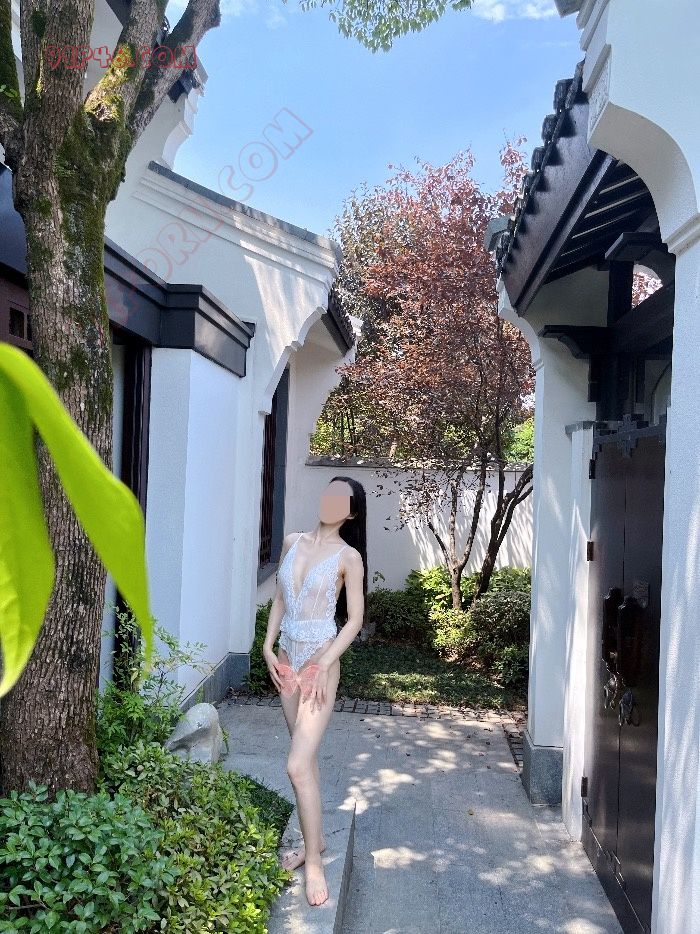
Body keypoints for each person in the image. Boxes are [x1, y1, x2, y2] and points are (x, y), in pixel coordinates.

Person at [263, 476, 367, 907]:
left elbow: (355, 619)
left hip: (319, 666)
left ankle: (315, 864)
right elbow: (280, 599)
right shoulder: (292, 542)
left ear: (351, 512)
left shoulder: (349, 557)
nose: (331, 500)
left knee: (296, 765)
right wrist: (267, 646)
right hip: (286, 659)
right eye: (329, 491)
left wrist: (324, 663)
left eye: (342, 498)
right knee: (303, 760)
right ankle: (315, 840)